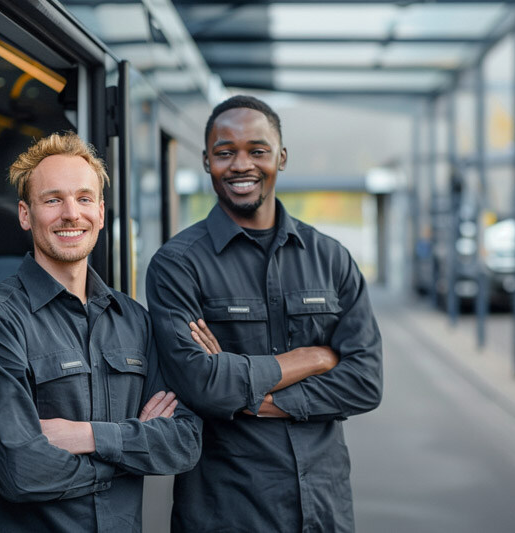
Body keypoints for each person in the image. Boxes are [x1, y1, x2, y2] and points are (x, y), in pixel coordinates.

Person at [146, 95, 383, 532]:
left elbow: (366, 382)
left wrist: (251, 397)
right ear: (206, 161)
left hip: (324, 507)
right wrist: (312, 359)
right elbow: (201, 386)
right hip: (228, 510)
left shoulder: (332, 259)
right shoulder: (177, 265)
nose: (241, 165)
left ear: (281, 157)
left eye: (257, 150)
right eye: (225, 152)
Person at [0, 132, 202, 532]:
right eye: (52, 200)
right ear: (26, 215)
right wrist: (131, 452)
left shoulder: (134, 319)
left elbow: (183, 442)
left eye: (83, 199)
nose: (70, 214)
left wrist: (88, 436)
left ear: (99, 211)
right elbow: (21, 469)